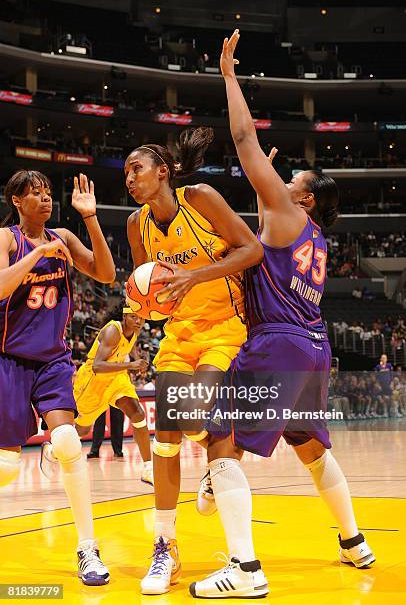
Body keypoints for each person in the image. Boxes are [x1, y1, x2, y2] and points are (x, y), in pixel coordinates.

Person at [190, 31, 375, 599]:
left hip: (279, 342)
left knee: (219, 437)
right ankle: (354, 543)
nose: (285, 176)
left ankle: (244, 572)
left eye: (291, 179)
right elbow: (263, 243)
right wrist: (266, 190)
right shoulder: (307, 233)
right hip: (313, 346)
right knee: (312, 446)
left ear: (308, 197)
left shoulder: (289, 212)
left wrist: (228, 75)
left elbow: (244, 138)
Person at [125, 126, 263, 594]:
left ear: (163, 172)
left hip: (225, 327)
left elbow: (253, 249)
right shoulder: (135, 224)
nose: (129, 178)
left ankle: (221, 456)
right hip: (178, 335)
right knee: (166, 435)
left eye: (136, 169)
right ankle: (166, 549)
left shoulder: (200, 197)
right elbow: (152, 289)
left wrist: (195, 274)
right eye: (126, 173)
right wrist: (142, 308)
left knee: (192, 415)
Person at [0, 170, 115, 585]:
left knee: (67, 441)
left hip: (53, 359)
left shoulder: (64, 237)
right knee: (7, 468)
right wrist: (37, 254)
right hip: (9, 359)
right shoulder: (8, 240)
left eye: (48, 193)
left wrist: (90, 219)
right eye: (35, 194)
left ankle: (88, 549)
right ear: (16, 201)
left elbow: (105, 274)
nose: (46, 199)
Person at [41, 306, 154, 485]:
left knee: (138, 414)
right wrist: (131, 365)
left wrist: (136, 358)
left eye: (141, 318)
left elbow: (126, 348)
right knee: (83, 429)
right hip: (93, 382)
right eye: (134, 317)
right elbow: (98, 366)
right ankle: (53, 450)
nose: (138, 321)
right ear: (125, 316)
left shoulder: (134, 330)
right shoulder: (112, 330)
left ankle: (148, 468)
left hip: (116, 380)